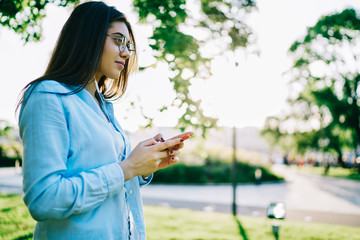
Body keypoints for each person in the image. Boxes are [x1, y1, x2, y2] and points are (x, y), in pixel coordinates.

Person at [17, 2, 192, 239]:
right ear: (88, 37)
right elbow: (45, 198)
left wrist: (141, 167)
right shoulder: (48, 96)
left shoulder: (103, 106)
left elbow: (107, 176)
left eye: (128, 45)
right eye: (118, 40)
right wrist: (128, 168)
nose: (126, 52)